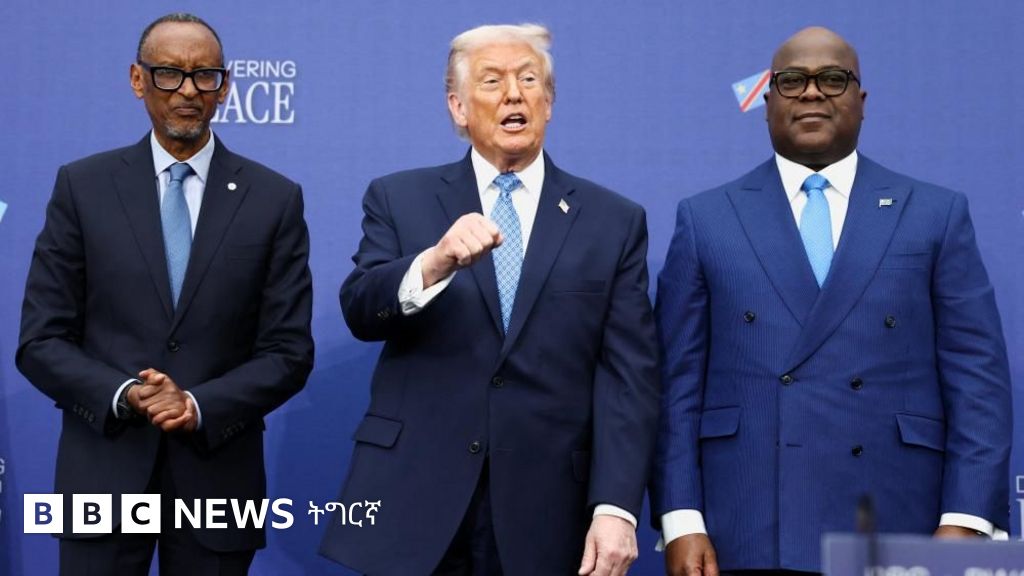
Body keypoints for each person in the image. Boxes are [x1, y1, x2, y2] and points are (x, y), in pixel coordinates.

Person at [651, 26, 1012, 575]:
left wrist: (966, 520)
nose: (812, 92)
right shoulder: (706, 219)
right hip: (746, 523)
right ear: (767, 103)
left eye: (833, 79)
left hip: (899, 522)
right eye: (792, 81)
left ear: (861, 101)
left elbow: (977, 379)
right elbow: (674, 388)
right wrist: (682, 519)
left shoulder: (934, 214)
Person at [319, 23, 659, 576]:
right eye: (492, 81)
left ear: (549, 102)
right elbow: (361, 309)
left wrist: (616, 506)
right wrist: (434, 262)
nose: (513, 95)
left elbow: (629, 378)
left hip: (548, 510)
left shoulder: (613, 221)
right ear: (458, 107)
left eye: (529, 80)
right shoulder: (398, 197)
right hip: (415, 499)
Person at [17, 12, 313, 575]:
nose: (188, 91)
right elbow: (40, 340)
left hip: (219, 478)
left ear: (225, 86)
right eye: (169, 73)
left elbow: (288, 352)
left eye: (204, 75)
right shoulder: (82, 187)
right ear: (138, 80)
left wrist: (196, 405)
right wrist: (126, 393)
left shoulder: (274, 199)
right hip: (101, 475)